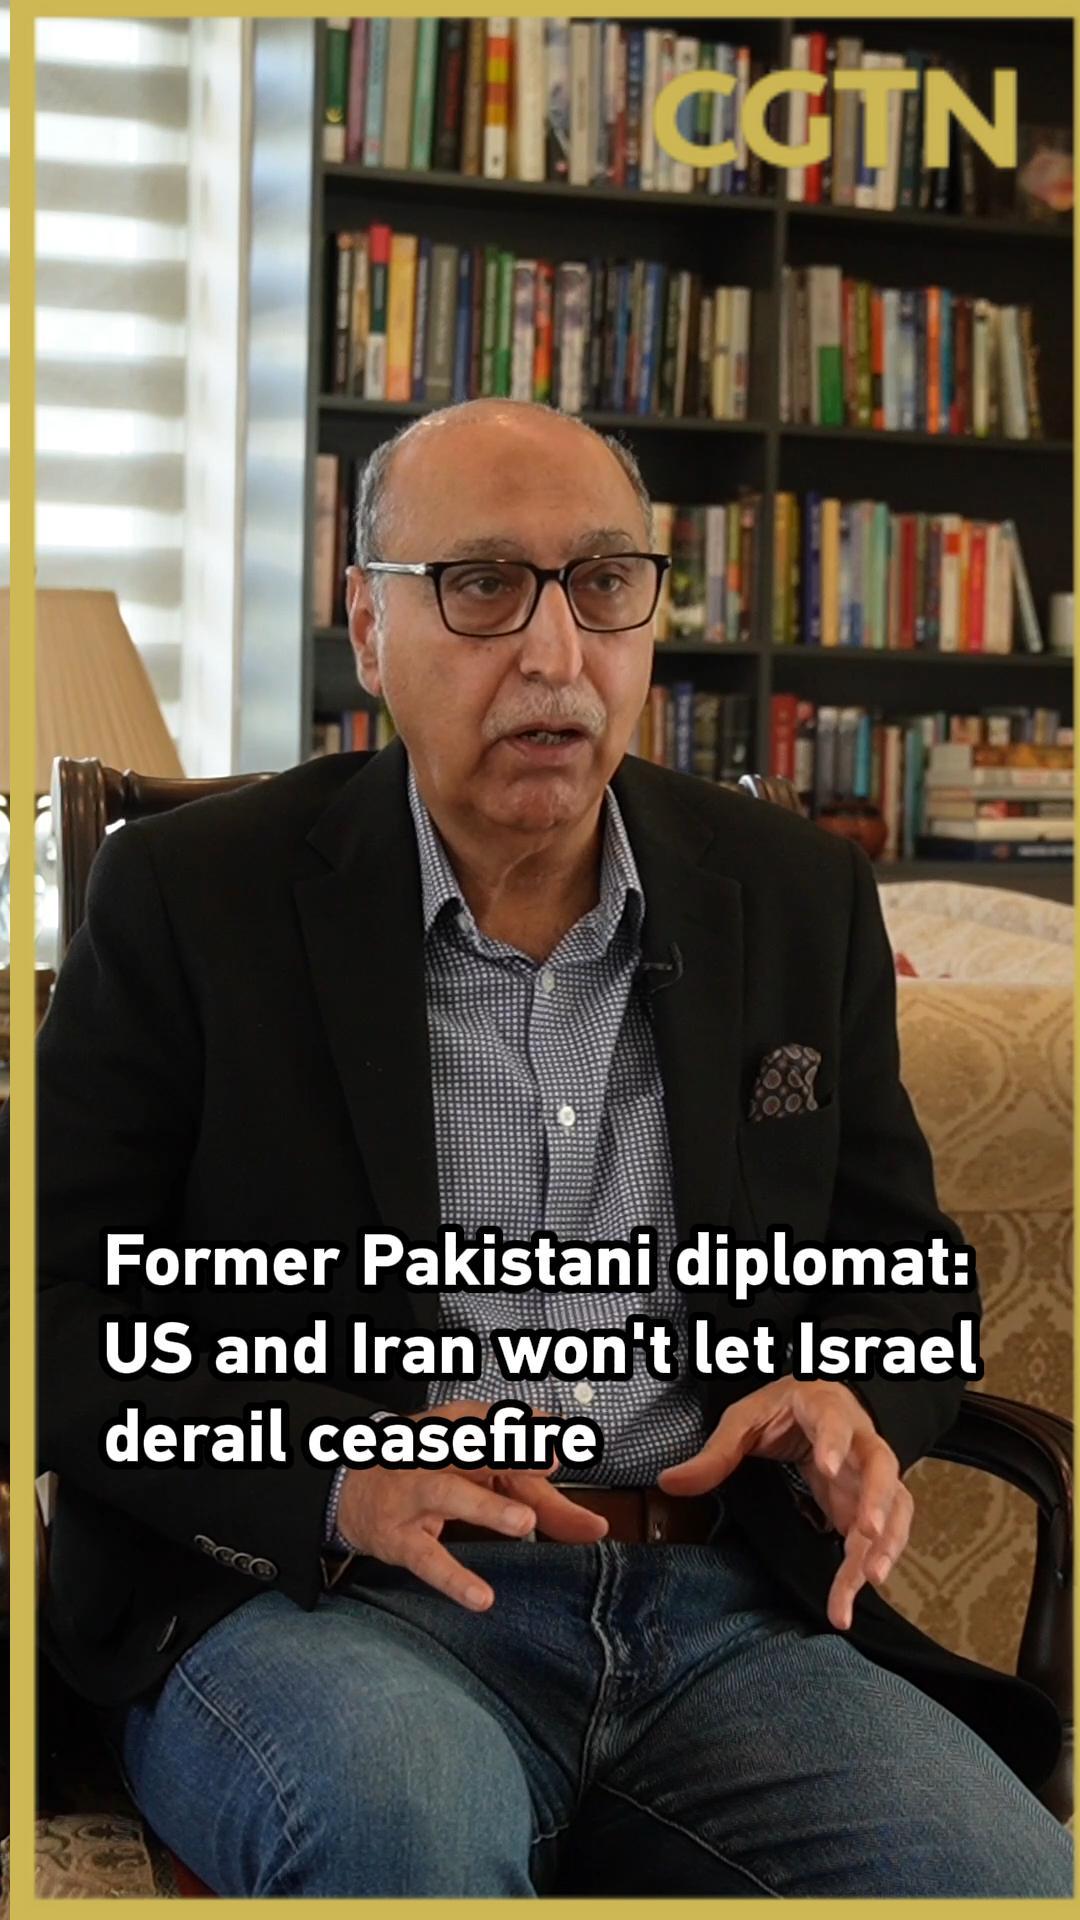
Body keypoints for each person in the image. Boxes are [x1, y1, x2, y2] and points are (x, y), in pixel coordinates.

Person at [18, 400, 1072, 1897]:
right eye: (482, 586)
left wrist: (858, 1400)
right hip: (332, 1604)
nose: (555, 653)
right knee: (406, 1830)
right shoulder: (191, 899)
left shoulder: (792, 896)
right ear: (369, 627)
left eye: (603, 583)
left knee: (1001, 1881)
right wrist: (332, 1477)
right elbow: (48, 1302)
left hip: (719, 1609)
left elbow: (904, 1271)